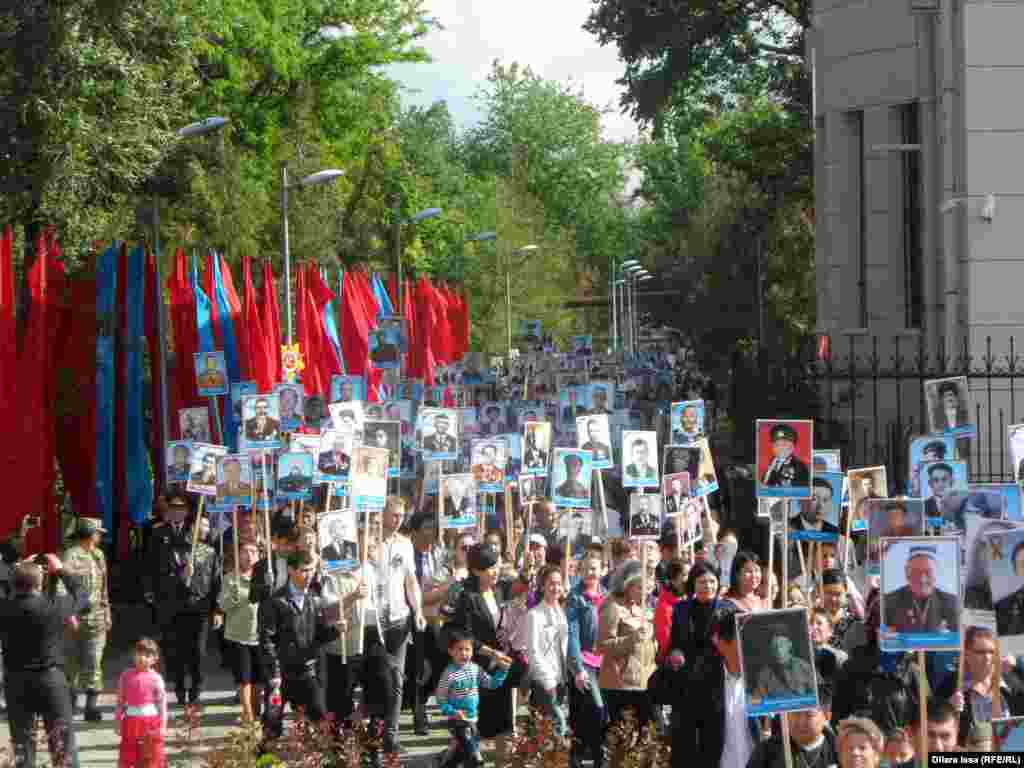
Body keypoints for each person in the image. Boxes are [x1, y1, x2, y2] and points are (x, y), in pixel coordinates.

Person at [0, 555, 87, 768]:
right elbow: (82, 595)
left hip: (16, 680)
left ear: (14, 583)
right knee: (62, 745)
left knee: (22, 744)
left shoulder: (5, 607)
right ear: (39, 584)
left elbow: (10, 593)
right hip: (50, 679)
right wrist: (61, 570)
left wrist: (16, 571)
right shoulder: (53, 605)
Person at [450, 543, 524, 768]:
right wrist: (491, 653)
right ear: (476, 570)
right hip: (477, 669)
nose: (494, 572)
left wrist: (528, 570)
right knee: (475, 729)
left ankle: (504, 763)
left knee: (505, 727)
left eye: (496, 566)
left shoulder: (499, 589)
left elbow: (521, 588)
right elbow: (464, 636)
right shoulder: (467, 597)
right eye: (489, 568)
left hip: (500, 668)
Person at [258, 550, 340, 739]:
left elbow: (318, 638)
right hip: (281, 675)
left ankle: (326, 754)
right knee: (272, 722)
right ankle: (265, 754)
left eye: (311, 570)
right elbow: (266, 641)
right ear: (291, 570)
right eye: (304, 570)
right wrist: (274, 674)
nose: (309, 574)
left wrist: (336, 630)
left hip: (307, 672)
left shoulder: (313, 598)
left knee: (321, 719)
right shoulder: (276, 601)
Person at [669, 602, 759, 768]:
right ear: (722, 643)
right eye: (743, 640)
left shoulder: (766, 680)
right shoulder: (701, 683)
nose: (751, 647)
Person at [146, 509, 221, 706]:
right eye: (199, 525)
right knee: (177, 649)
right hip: (176, 606)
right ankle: (179, 686)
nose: (203, 529)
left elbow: (216, 583)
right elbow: (162, 579)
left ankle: (197, 686)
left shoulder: (210, 552)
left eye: (206, 526)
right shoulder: (173, 549)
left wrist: (217, 610)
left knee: (198, 651)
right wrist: (182, 574)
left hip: (200, 608)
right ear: (190, 527)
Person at [597, 560, 657, 744]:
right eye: (639, 587)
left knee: (645, 736)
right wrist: (632, 640)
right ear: (627, 585)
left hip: (644, 681)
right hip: (620, 683)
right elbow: (602, 645)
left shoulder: (643, 609)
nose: (644, 592)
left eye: (647, 587)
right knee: (622, 738)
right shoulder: (612, 607)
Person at [435, 629, 511, 768]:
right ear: (451, 651)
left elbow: (491, 684)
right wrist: (452, 711)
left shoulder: (475, 669)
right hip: (457, 721)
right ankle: (475, 760)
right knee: (472, 754)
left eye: (467, 649)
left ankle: (446, 763)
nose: (464, 653)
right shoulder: (449, 674)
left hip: (473, 718)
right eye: (459, 649)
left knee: (460, 754)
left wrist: (503, 671)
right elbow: (440, 698)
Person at [60, 517, 111, 721]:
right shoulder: (71, 555)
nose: (100, 536)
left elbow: (103, 588)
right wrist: (68, 614)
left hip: (96, 618)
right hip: (75, 619)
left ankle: (91, 707)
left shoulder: (99, 555)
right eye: (98, 532)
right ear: (89, 533)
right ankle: (69, 705)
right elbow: (61, 587)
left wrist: (107, 613)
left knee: (94, 662)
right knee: (71, 663)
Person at [566, 556, 608, 768]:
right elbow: (572, 634)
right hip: (585, 662)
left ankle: (593, 757)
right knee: (595, 708)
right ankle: (582, 756)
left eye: (594, 568)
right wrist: (578, 669)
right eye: (586, 569)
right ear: (580, 572)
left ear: (602, 570)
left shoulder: (608, 595)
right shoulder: (575, 597)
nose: (591, 572)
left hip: (606, 662)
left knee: (594, 714)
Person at [217, 539, 262, 724]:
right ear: (238, 555)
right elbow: (223, 606)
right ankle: (248, 714)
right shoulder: (230, 578)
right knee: (244, 679)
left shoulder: (265, 576)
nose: (249, 555)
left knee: (258, 678)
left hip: (260, 634)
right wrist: (233, 597)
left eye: (253, 552)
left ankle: (256, 710)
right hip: (239, 635)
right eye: (245, 551)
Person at [746, 688, 837, 768]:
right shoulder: (766, 752)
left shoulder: (839, 751)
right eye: (795, 713)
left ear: (827, 716)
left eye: (809, 714)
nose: (801, 722)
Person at [114, 637, 167, 768]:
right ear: (134, 655)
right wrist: (118, 722)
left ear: (155, 659)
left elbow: (162, 705)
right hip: (130, 722)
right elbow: (120, 701)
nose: (142, 658)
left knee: (150, 756)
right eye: (139, 654)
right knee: (129, 756)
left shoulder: (156, 678)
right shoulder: (125, 676)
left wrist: (163, 726)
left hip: (151, 723)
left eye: (147, 655)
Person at [883, 545, 958, 633]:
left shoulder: (952, 602)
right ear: (907, 573)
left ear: (936, 573)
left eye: (928, 572)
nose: (922, 579)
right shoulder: (887, 602)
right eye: (916, 572)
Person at [752, 625, 816, 700]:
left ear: (789, 644)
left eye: (781, 645)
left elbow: (819, 696)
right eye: (774, 646)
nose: (778, 650)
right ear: (770, 649)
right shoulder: (764, 674)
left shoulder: (805, 667)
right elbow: (759, 701)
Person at [761, 423, 810, 488]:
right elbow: (765, 482)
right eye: (776, 444)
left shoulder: (799, 466)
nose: (780, 448)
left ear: (792, 447)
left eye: (784, 445)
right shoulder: (772, 462)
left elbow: (802, 489)